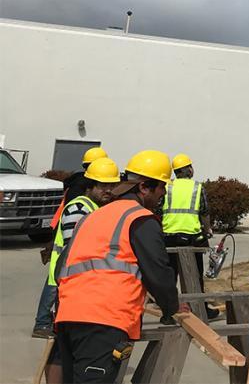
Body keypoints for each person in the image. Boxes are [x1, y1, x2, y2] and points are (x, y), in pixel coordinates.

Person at [55, 150, 185, 384]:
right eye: (161, 188)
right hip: (104, 321)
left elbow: (60, 269)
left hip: (68, 317)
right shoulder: (140, 219)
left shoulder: (93, 217)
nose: (163, 194)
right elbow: (158, 272)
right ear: (144, 187)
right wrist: (171, 307)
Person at [40, 157, 120, 384]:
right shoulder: (79, 207)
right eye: (103, 186)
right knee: (61, 345)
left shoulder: (96, 208)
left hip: (79, 283)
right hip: (69, 282)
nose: (108, 190)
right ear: (90, 184)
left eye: (111, 186)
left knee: (66, 344)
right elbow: (75, 249)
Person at [34, 146, 109, 338]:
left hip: (62, 241)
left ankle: (48, 321)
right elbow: (74, 229)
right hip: (66, 255)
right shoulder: (81, 194)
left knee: (54, 286)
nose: (107, 189)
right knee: (54, 287)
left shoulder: (77, 184)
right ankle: (43, 322)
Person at [162, 153, 219, 319]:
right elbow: (204, 212)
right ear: (187, 169)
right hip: (192, 237)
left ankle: (168, 311)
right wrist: (208, 230)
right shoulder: (197, 187)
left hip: (168, 236)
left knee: (170, 275)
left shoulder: (167, 187)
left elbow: (158, 210)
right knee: (194, 275)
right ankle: (200, 309)